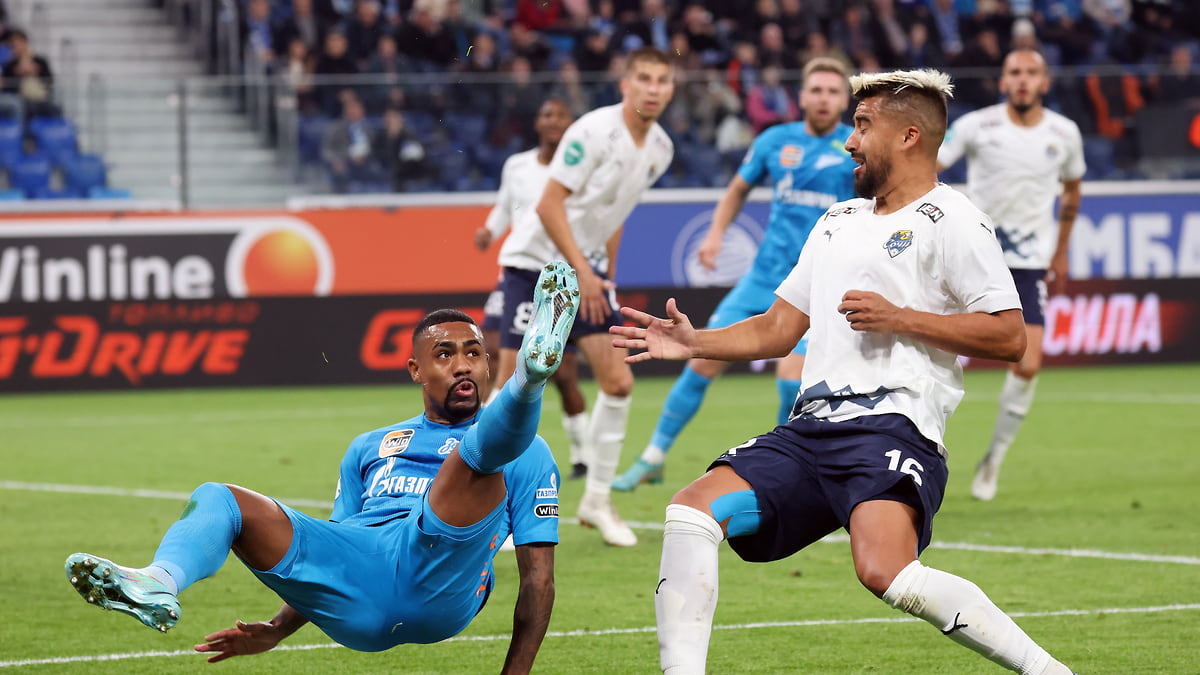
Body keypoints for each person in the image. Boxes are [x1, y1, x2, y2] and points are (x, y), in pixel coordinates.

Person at [613, 69, 1079, 675]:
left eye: (862, 126)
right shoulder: (837, 219)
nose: (849, 141)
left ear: (909, 136)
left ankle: (1049, 671)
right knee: (691, 511)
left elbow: (1010, 336)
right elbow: (778, 328)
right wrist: (693, 341)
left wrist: (901, 318)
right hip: (810, 430)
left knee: (886, 573)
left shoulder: (955, 219)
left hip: (893, 427)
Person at [64, 261, 581, 673]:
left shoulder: (529, 452)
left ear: (489, 363)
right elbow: (331, 555)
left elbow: (538, 580)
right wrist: (276, 630)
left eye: (474, 353)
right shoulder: (368, 446)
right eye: (444, 354)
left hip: (439, 581)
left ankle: (530, 377)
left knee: (477, 459)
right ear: (416, 370)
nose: (463, 364)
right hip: (359, 586)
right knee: (221, 497)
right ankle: (158, 581)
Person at [614, 57, 855, 492]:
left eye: (833, 92)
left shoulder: (855, 146)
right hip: (763, 277)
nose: (823, 99)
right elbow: (738, 189)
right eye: (816, 90)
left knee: (791, 383)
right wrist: (714, 235)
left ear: (844, 100)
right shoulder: (774, 141)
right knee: (698, 360)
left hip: (816, 285)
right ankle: (653, 457)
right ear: (801, 96)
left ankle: (789, 469)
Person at [532, 46, 676, 547]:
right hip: (538, 266)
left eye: (662, 80)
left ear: (671, 89)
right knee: (514, 389)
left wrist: (604, 275)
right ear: (625, 84)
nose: (653, 88)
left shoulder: (661, 148)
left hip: (586, 270)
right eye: (644, 78)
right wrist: (581, 270)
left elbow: (616, 214)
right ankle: (493, 510)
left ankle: (595, 499)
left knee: (617, 382)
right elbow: (548, 205)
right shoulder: (593, 131)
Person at [936, 49, 1085, 501]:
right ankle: (925, 448)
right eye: (1015, 73)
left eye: (1031, 73)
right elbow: (929, 165)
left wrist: (1060, 251)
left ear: (1044, 82)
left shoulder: (1065, 133)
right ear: (1003, 82)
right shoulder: (976, 126)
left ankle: (993, 460)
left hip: (1028, 262)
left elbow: (1072, 190)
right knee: (934, 355)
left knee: (1028, 363)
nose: (1022, 80)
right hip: (972, 255)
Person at [476, 98, 591, 481]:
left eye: (560, 115)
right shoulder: (517, 165)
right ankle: (481, 449)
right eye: (546, 114)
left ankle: (584, 457)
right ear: (537, 123)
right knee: (497, 355)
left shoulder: (583, 170)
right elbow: (504, 207)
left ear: (572, 124)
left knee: (564, 374)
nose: (552, 120)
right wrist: (489, 231)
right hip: (520, 269)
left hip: (560, 275)